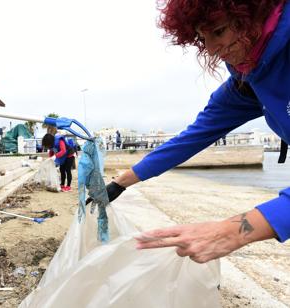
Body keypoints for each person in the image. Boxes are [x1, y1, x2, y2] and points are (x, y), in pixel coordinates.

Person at [97, 0, 290, 264]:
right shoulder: (249, 79)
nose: (211, 48)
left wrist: (234, 231)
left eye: (219, 31)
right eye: (203, 37)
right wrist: (121, 182)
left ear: (254, 14)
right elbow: (194, 136)